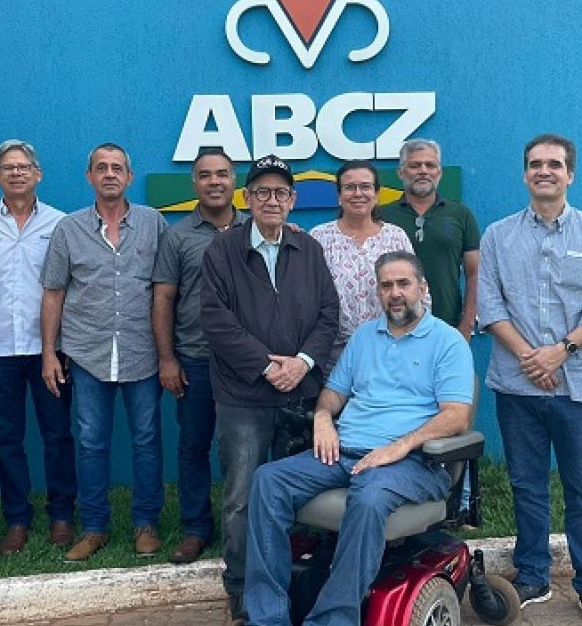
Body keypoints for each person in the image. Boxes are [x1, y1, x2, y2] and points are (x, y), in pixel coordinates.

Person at [243, 250, 474, 626]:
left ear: (423, 288)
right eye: (386, 285)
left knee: (367, 500)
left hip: (413, 462)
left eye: (404, 283)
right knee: (268, 481)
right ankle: (267, 617)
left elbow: (457, 416)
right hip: (345, 452)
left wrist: (398, 446)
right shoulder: (365, 337)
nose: (395, 293)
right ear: (378, 292)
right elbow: (334, 393)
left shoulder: (447, 343)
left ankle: (333, 620)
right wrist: (322, 417)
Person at [478, 134, 582, 625]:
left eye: (554, 164)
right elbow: (489, 306)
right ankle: (534, 573)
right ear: (524, 174)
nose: (545, 171)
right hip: (517, 388)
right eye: (536, 164)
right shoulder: (498, 235)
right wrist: (530, 359)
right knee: (527, 484)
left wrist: (559, 354)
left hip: (580, 387)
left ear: (570, 174)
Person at [201, 154, 339, 625]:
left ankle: (294, 580)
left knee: (300, 496)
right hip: (244, 398)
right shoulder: (221, 251)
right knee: (242, 496)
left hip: (301, 394)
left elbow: (328, 314)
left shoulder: (310, 250)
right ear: (246, 198)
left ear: (293, 201)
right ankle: (241, 590)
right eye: (262, 192)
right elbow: (216, 322)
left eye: (281, 192)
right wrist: (265, 367)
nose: (272, 200)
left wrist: (301, 364)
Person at [40, 143, 168, 562]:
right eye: (101, 168)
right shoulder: (68, 229)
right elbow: (54, 293)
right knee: (91, 442)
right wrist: (48, 353)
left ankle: (146, 523)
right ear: (89, 176)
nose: (110, 174)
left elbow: (171, 286)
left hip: (143, 351)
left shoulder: (155, 224)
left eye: (118, 168)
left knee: (147, 440)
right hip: (87, 351)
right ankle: (94, 527)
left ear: (130, 177)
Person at [0, 140, 76, 555]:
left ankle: (62, 513)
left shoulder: (61, 223)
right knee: (6, 437)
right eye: (7, 168)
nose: (16, 173)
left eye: (24, 166)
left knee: (57, 434)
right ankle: (17, 518)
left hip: (51, 347)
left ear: (38, 173)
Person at [152, 148, 249, 564]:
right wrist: (166, 358)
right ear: (194, 183)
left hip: (247, 362)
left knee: (243, 449)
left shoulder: (255, 228)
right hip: (194, 358)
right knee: (193, 446)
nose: (214, 181)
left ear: (234, 182)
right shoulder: (176, 236)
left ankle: (241, 529)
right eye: (205, 175)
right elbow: (164, 298)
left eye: (222, 174)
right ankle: (195, 528)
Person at [309, 160, 417, 364]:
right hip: (334, 354)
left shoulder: (396, 237)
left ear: (376, 194)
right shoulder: (318, 237)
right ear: (339, 196)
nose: (358, 193)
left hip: (391, 350)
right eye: (349, 187)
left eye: (365, 186)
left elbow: (418, 294)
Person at [379, 138, 479, 339]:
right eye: (415, 165)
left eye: (430, 165)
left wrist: (466, 325)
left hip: (448, 328)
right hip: (394, 329)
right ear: (401, 172)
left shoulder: (461, 214)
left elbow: (475, 274)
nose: (423, 171)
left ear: (439, 173)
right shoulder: (381, 217)